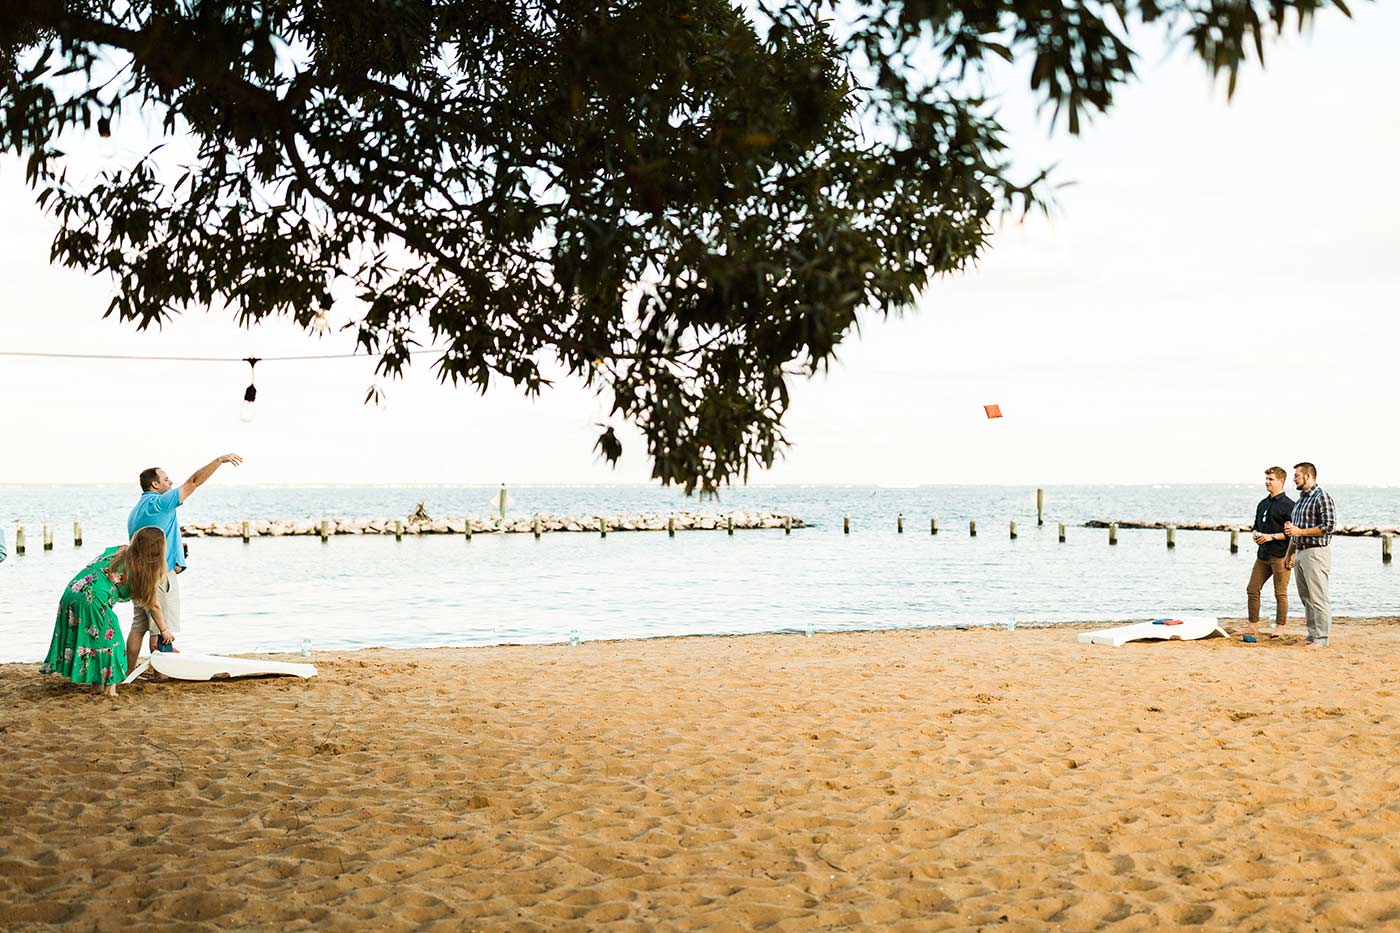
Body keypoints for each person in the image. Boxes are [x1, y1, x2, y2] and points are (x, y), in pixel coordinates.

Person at [126, 453, 243, 670]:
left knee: (139, 625)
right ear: (155, 484)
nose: (170, 482)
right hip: (158, 574)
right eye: (166, 479)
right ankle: (162, 672)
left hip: (137, 572)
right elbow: (194, 482)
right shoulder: (161, 503)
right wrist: (219, 461)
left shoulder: (136, 510)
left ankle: (128, 672)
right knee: (160, 628)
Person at [40, 527, 171, 697]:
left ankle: (97, 687)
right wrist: (164, 630)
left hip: (72, 591)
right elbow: (154, 606)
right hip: (93, 598)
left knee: (96, 640)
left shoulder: (122, 551)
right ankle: (111, 690)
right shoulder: (146, 570)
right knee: (112, 643)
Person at [1284, 462, 1336, 648]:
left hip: (1316, 553)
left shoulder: (1322, 497)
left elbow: (1329, 527)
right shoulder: (1300, 501)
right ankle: (1313, 634)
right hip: (1300, 553)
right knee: (1306, 597)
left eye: (1297, 475)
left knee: (1318, 597)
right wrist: (1288, 554)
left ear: (1308, 476)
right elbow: (1293, 532)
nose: (1294, 479)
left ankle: (1322, 638)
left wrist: (1300, 532)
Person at [1245, 466, 1295, 637]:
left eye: (1271, 479)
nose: (1267, 482)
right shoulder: (1263, 503)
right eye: (1266, 479)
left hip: (1281, 556)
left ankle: (1280, 629)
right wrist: (1256, 535)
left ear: (1281, 481)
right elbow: (1256, 526)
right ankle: (1253, 626)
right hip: (1263, 556)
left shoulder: (1289, 505)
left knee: (1280, 593)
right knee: (1252, 588)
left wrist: (1271, 537)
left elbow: (1292, 534)